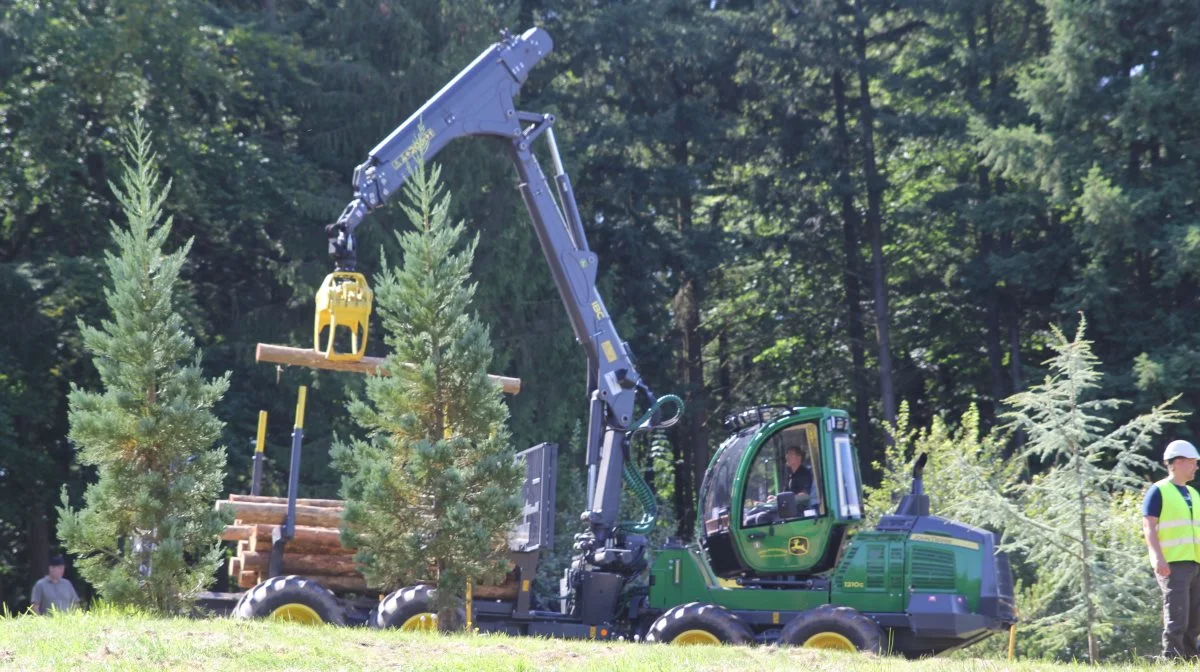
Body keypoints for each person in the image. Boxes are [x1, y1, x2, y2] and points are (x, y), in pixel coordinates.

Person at [1142, 439, 1200, 660]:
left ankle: (1191, 659)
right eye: (1193, 462)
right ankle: (1172, 660)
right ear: (1177, 462)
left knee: (1195, 618)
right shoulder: (1158, 491)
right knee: (1178, 616)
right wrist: (1157, 557)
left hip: (1196, 562)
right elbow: (1148, 525)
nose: (1196, 467)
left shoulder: (1193, 494)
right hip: (1173, 563)